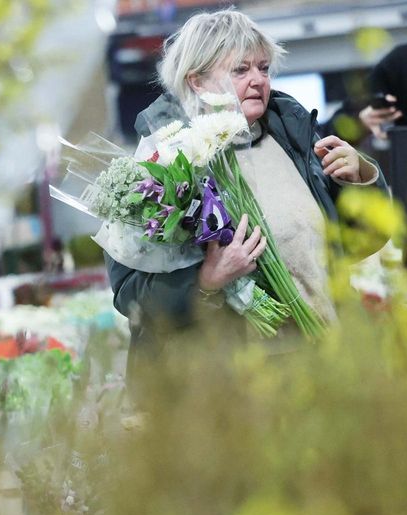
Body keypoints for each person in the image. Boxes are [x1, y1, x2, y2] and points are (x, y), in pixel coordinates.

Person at [108, 9, 387, 384]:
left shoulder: (295, 140)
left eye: (264, 68)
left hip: (329, 363)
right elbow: (130, 295)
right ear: (197, 82)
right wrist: (206, 279)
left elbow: (355, 245)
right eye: (241, 70)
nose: (258, 80)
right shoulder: (162, 164)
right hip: (239, 384)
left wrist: (360, 178)